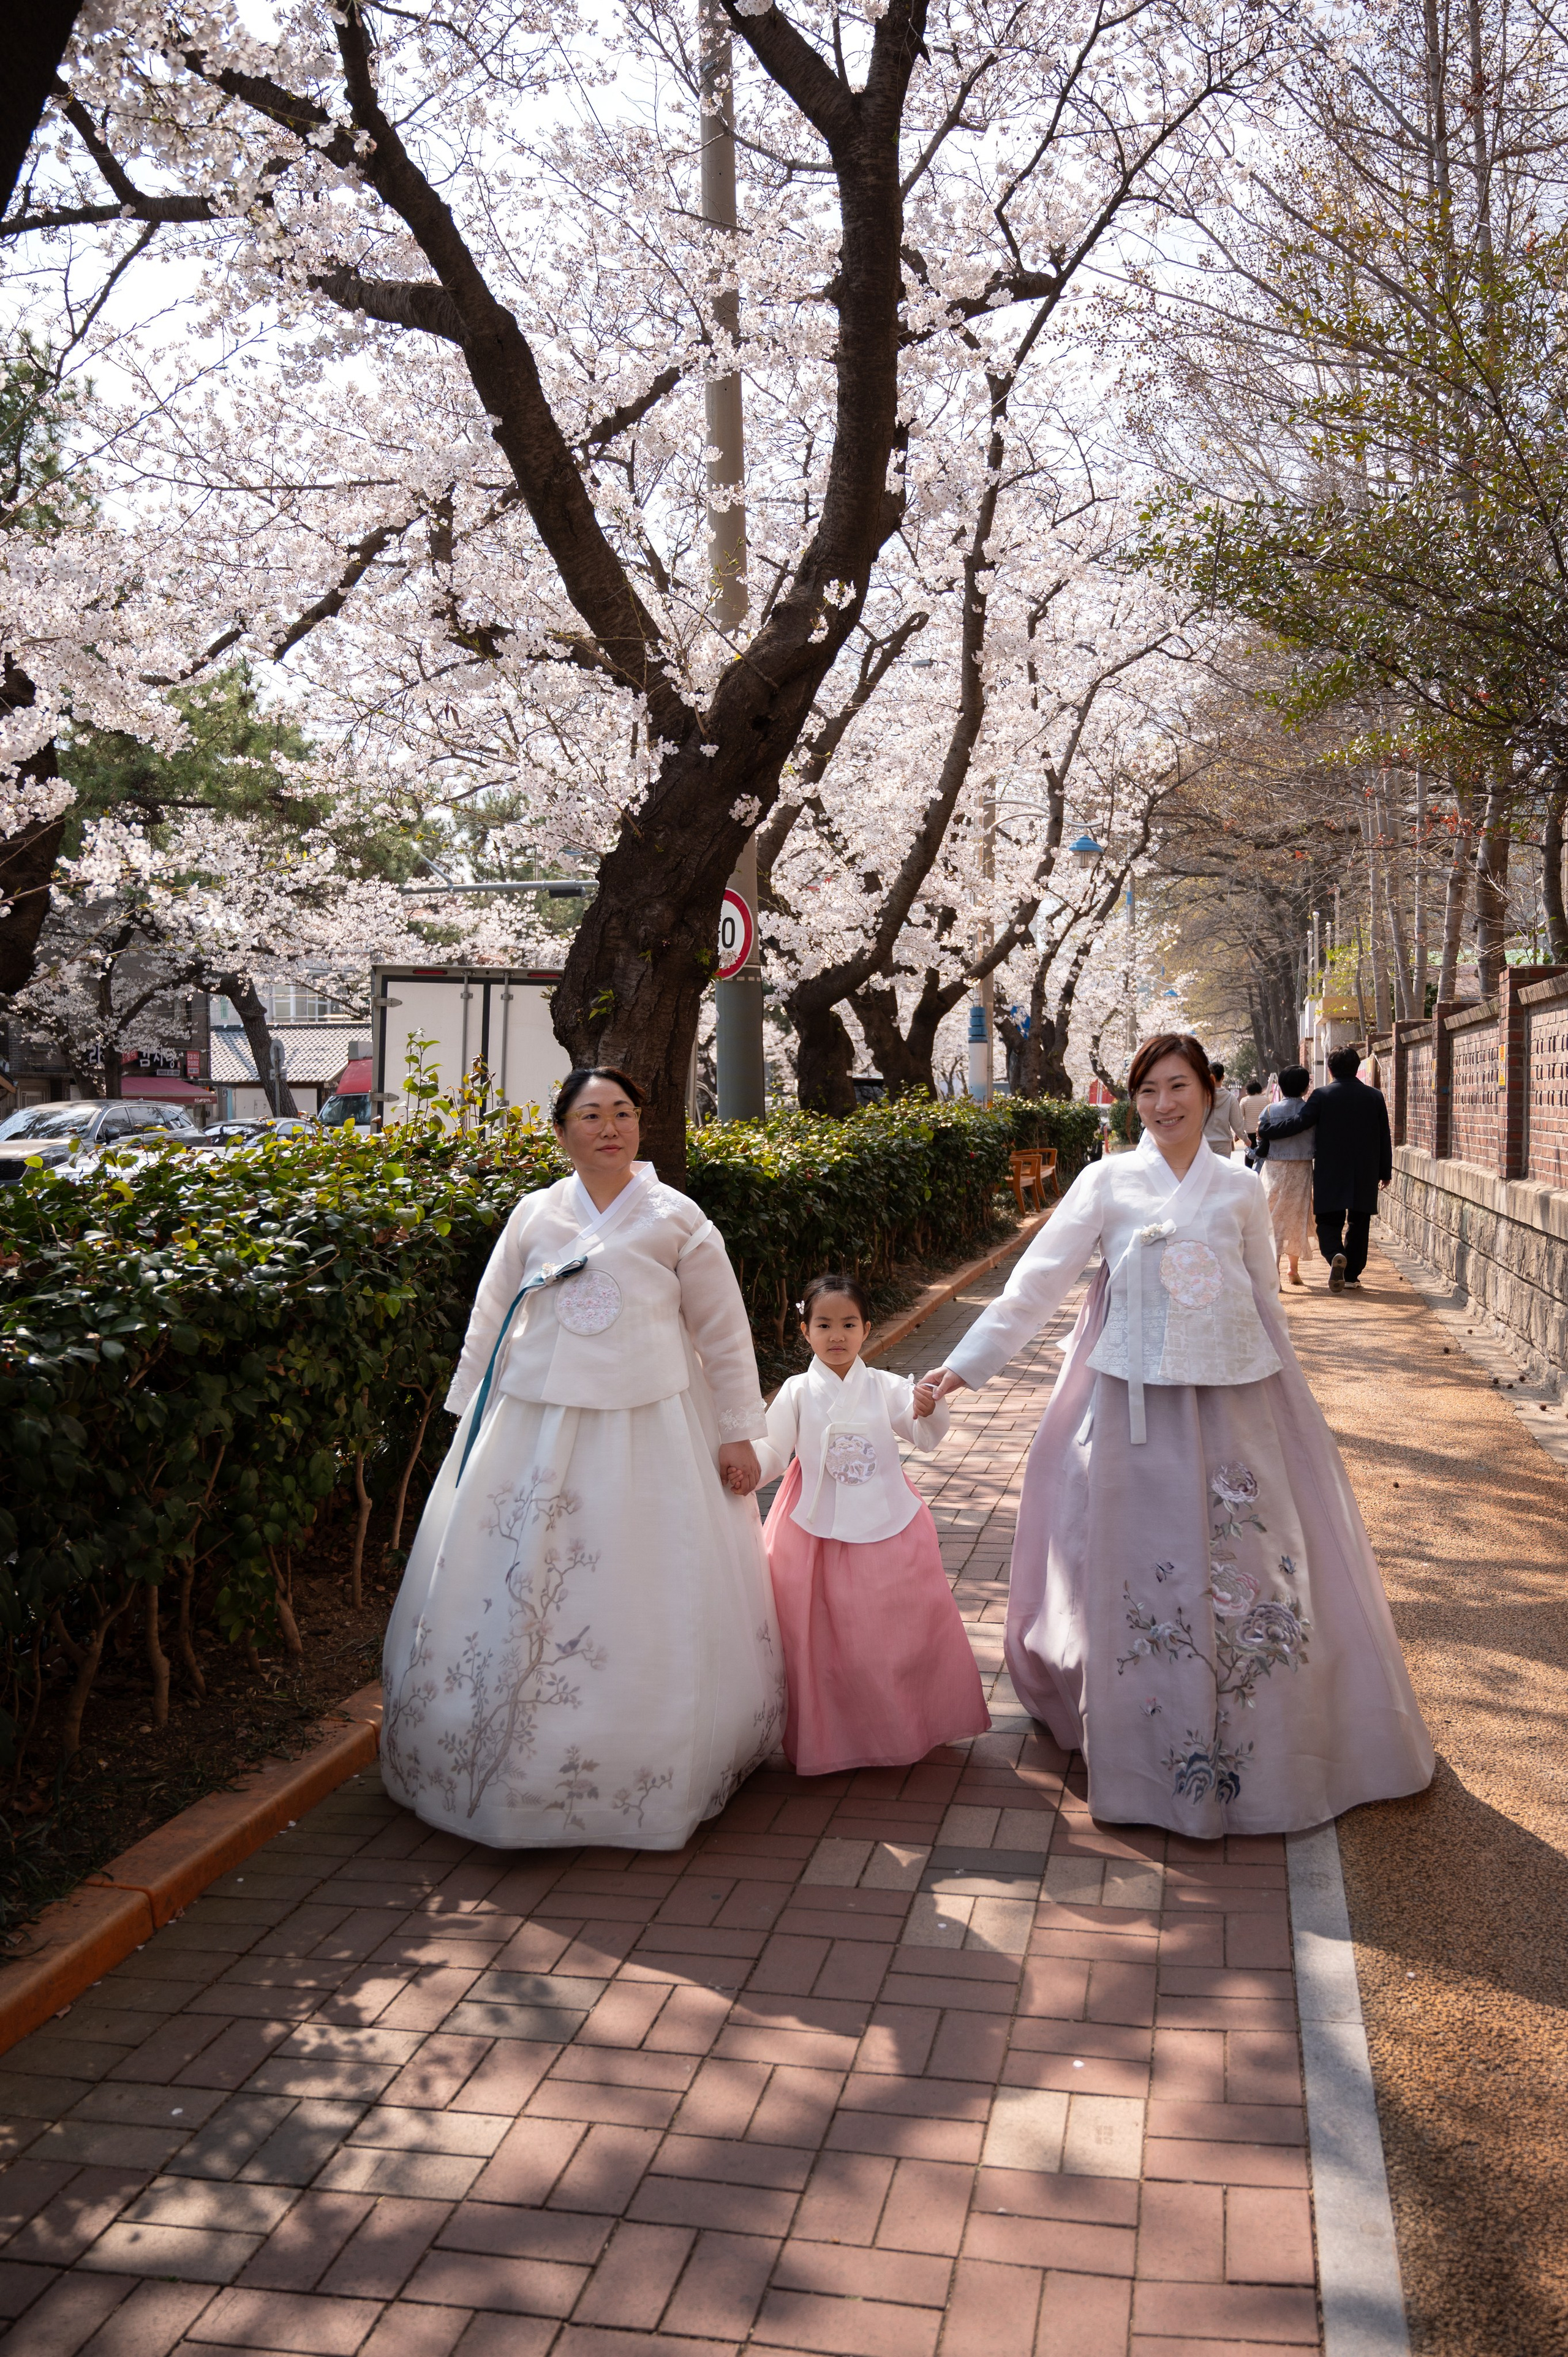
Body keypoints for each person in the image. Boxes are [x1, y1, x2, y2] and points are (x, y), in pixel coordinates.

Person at [918, 1031, 1433, 1838]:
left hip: (1233, 1403)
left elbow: (1261, 1298)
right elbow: (1037, 1283)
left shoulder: (1237, 1190)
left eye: (1178, 1086)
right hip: (1129, 1404)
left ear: (1209, 1090)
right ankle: (1139, 1735)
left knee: (1244, 1561)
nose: (1163, 1104)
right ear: (1134, 1100)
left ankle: (1254, 1734)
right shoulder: (1107, 1181)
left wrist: (1288, 1401)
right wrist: (963, 1365)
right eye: (1148, 1090)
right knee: (1131, 1564)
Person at [380, 1067, 784, 1850]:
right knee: (524, 1573)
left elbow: (724, 1333)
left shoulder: (678, 1217)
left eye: (624, 1112)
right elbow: (490, 1312)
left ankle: (656, 1752)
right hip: (534, 1422)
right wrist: (470, 1409)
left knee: (643, 1577)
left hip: (653, 1426)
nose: (610, 1127)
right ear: (561, 1129)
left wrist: (741, 1430)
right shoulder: (534, 1214)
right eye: (591, 1114)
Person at [756, 1274, 989, 1776]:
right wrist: (747, 1470)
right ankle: (833, 1734)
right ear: (805, 1332)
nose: (836, 1335)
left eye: (848, 1324)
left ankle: (905, 1724)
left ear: (866, 1329)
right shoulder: (797, 1391)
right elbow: (773, 1450)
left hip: (887, 1519)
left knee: (892, 1627)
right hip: (812, 1525)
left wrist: (928, 1407)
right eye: (824, 1324)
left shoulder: (886, 1385)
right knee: (819, 1634)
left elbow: (922, 1434)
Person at [1254, 1044, 1392, 1294]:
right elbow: (1384, 1136)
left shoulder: (1322, 1095)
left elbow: (1299, 1123)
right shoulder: (1375, 1096)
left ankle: (1336, 1255)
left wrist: (1267, 1131)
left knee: (1328, 1220)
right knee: (1360, 1221)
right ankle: (1351, 1274)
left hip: (1331, 1167)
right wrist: (1385, 1171)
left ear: (1330, 1070)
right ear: (1357, 1067)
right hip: (1366, 1168)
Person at [1253, 1063, 1314, 1286]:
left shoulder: (1270, 1110)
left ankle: (1274, 1270)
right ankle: (1293, 1269)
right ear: (1305, 1087)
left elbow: (1260, 1138)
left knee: (1273, 1217)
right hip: (1302, 1168)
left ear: (1281, 1085)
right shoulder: (1311, 1111)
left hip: (1274, 1168)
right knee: (1297, 1216)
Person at [1202, 1060, 1248, 1156]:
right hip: (1223, 1145)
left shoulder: (1201, 1097)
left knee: (1206, 1172)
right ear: (1223, 1077)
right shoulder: (1230, 1098)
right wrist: (1245, 1139)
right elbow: (1237, 1123)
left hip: (1203, 1143)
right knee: (1222, 1171)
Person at [1238, 1076, 1267, 1146]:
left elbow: (1240, 1118)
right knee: (1263, 1154)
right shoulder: (1266, 1100)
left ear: (1248, 1090)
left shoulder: (1244, 1101)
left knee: (1249, 1154)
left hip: (1249, 1132)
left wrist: (1240, 1133)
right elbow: (1269, 1116)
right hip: (1262, 1130)